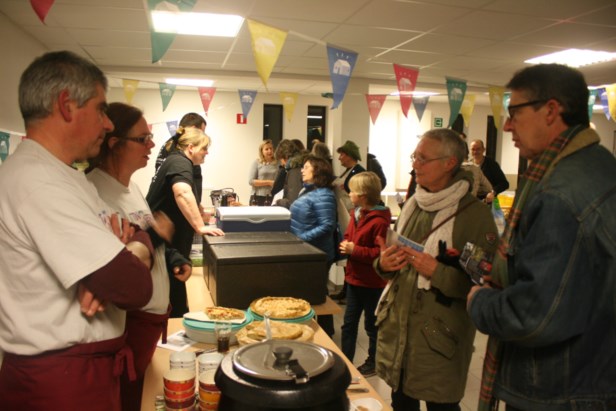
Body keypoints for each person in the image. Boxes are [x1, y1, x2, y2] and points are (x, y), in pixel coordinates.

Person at [0, 50, 154, 410]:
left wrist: (132, 249)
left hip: (86, 373)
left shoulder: (66, 175)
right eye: (101, 110)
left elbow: (137, 231)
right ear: (66, 105)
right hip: (60, 384)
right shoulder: (38, 181)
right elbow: (134, 286)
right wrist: (123, 261)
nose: (108, 124)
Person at [467, 64, 616, 411]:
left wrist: (480, 301)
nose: (507, 126)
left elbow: (535, 316)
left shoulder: (558, 194)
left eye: (515, 113)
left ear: (551, 110)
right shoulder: (600, 165)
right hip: (594, 377)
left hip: (559, 391)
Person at [373, 128, 498, 411]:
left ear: (449, 163)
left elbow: (484, 284)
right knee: (401, 402)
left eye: (422, 158)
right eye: (414, 157)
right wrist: (383, 264)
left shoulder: (475, 216)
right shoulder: (413, 204)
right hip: (399, 334)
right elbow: (392, 263)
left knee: (441, 406)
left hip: (439, 339)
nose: (414, 164)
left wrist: (436, 271)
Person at [87, 102, 192, 411]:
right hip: (128, 326)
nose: (152, 145)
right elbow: (118, 264)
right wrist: (157, 235)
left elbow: (146, 233)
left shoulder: (130, 187)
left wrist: (171, 256)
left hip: (150, 323)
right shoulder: (94, 191)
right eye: (142, 138)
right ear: (114, 143)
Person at [146, 127, 224, 318]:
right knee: (174, 296)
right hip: (164, 245)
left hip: (167, 245)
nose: (206, 152)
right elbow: (182, 192)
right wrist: (200, 226)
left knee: (176, 291)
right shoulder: (180, 162)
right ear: (190, 147)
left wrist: (201, 213)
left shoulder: (174, 161)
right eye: (204, 148)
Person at [339, 172, 391, 377]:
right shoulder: (356, 213)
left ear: (362, 195)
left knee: (372, 326)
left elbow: (380, 254)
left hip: (372, 283)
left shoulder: (380, 222)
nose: (349, 194)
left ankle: (373, 362)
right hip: (354, 280)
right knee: (348, 325)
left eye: (352, 191)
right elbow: (349, 235)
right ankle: (345, 363)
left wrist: (355, 250)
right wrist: (346, 244)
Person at [290, 155, 337, 336]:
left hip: (316, 253)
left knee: (317, 294)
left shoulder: (324, 194)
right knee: (312, 292)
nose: (302, 170)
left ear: (317, 171)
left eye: (306, 167)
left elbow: (327, 225)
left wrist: (301, 239)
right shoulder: (309, 191)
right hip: (305, 251)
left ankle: (325, 333)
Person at [331, 140, 366, 302]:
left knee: (351, 254)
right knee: (346, 254)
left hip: (352, 216)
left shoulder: (359, 172)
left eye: (342, 154)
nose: (339, 158)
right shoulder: (347, 172)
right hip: (344, 216)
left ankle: (351, 290)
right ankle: (346, 289)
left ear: (350, 155)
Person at [271, 139, 305, 209]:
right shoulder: (300, 165)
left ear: (286, 156)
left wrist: (278, 201)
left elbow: (293, 201)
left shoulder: (294, 171)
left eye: (280, 160)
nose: (282, 164)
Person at [248, 139, 278, 206]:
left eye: (271, 148)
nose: (269, 151)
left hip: (273, 196)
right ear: (262, 151)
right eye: (266, 149)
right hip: (257, 196)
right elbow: (251, 181)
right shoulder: (257, 162)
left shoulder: (278, 163)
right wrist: (269, 182)